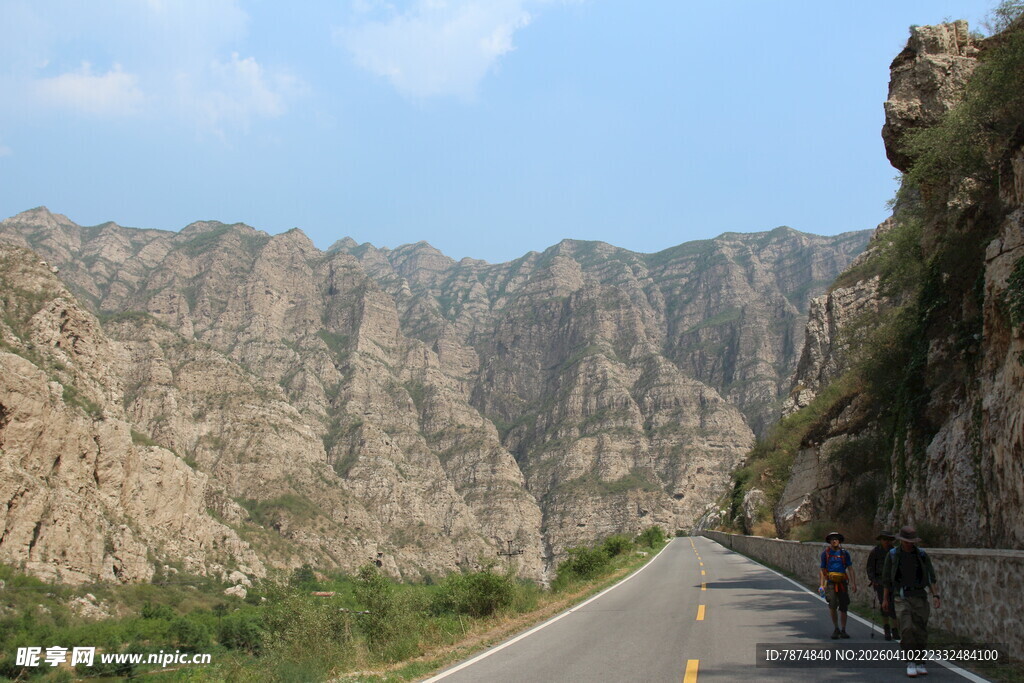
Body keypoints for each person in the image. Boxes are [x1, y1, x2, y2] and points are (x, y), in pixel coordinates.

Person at [882, 525, 940, 679]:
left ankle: (920, 661)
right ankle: (910, 661)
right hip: (901, 597)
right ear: (901, 541)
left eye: (911, 541)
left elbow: (930, 577)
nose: (909, 544)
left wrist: (935, 595)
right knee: (906, 629)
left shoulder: (921, 555)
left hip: (920, 597)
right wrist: (885, 599)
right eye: (906, 541)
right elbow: (887, 579)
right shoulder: (893, 555)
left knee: (920, 631)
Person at [819, 531, 857, 639]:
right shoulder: (825, 554)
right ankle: (836, 628)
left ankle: (843, 629)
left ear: (839, 541)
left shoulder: (844, 554)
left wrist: (854, 583)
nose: (834, 541)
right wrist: (821, 585)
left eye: (836, 539)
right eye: (832, 539)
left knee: (844, 606)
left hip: (842, 583)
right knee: (832, 606)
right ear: (830, 541)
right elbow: (822, 570)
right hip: (830, 583)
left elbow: (850, 569)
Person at [866, 530, 899, 640]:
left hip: (892, 582)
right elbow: (870, 567)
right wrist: (873, 579)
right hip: (880, 582)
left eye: (888, 539)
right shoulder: (875, 552)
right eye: (884, 539)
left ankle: (895, 629)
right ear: (880, 540)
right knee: (884, 605)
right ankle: (886, 629)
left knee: (893, 606)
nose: (886, 541)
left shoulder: (895, 552)